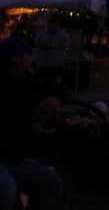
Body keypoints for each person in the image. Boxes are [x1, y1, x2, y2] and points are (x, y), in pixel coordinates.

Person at [0, 36, 64, 210]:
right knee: (7, 189)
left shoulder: (27, 81)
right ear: (16, 59)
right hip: (5, 159)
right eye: (28, 55)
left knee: (53, 184)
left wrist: (55, 98)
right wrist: (29, 129)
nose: (31, 59)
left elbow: (56, 88)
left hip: (15, 159)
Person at [33, 14, 69, 85]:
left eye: (53, 25)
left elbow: (66, 44)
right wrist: (42, 45)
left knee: (55, 82)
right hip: (43, 63)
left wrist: (54, 46)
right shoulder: (43, 32)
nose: (50, 27)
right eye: (49, 24)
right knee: (42, 82)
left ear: (57, 25)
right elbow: (36, 41)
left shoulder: (62, 33)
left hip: (56, 63)